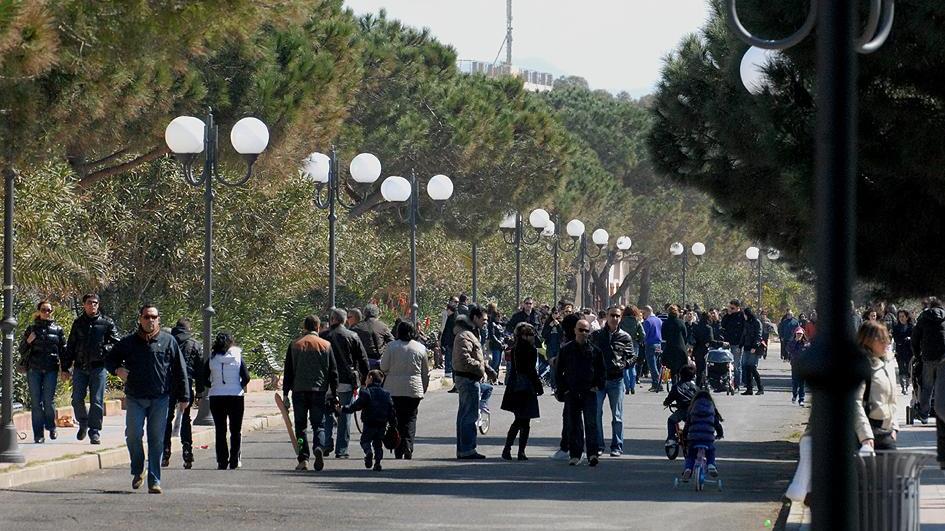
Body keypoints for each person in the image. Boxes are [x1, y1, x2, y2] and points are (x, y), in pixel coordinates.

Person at [106, 304, 190, 494]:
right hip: (135, 397)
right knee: (133, 435)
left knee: (156, 440)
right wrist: (117, 370)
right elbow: (109, 359)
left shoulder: (169, 341)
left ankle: (155, 480)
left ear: (159, 319)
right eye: (146, 317)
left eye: (153, 317)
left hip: (160, 398)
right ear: (140, 319)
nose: (150, 320)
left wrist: (185, 396)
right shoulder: (128, 342)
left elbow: (180, 370)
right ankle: (138, 469)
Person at [61, 293, 120, 445]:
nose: (92, 305)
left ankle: (95, 431)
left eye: (95, 303)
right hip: (80, 367)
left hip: (98, 368)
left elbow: (116, 343)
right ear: (84, 305)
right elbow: (71, 345)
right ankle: (83, 422)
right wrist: (65, 367)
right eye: (89, 302)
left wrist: (104, 349)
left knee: (97, 401)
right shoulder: (78, 323)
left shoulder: (107, 323)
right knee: (76, 400)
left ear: (98, 305)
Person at [283, 315, 338, 472]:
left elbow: (288, 371)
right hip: (318, 391)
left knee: (300, 427)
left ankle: (303, 458)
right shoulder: (326, 345)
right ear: (318, 327)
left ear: (304, 327)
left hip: (299, 391)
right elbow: (333, 372)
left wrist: (285, 393)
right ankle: (319, 447)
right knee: (319, 424)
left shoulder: (295, 345)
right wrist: (334, 393)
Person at [321, 308, 370, 459]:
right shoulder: (352, 336)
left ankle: (326, 443)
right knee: (345, 413)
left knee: (327, 412)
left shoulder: (323, 336)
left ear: (333, 320)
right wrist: (364, 380)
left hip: (326, 381)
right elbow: (362, 360)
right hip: (346, 381)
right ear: (344, 320)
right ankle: (341, 449)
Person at [555, 319, 605, 466]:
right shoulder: (566, 349)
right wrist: (563, 389)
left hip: (589, 392)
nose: (583, 333)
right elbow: (559, 372)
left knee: (591, 424)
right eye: (581, 330)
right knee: (574, 424)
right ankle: (575, 455)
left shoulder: (595, 350)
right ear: (575, 330)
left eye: (586, 330)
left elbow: (601, 371)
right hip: (572, 392)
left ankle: (593, 454)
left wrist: (597, 385)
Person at [200, 332, 250, 470]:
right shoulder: (238, 356)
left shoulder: (212, 358)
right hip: (235, 396)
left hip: (217, 396)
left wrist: (213, 385)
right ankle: (234, 460)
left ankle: (222, 461)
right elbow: (246, 376)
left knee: (220, 429)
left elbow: (204, 378)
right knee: (236, 429)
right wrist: (239, 386)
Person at [452, 304, 497, 459]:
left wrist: (488, 370)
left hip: (470, 378)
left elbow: (476, 357)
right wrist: (481, 368)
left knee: (466, 415)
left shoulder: (471, 334)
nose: (485, 322)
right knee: (469, 416)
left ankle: (465, 449)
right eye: (483, 319)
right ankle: (467, 450)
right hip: (468, 379)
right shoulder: (465, 335)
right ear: (475, 318)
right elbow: (464, 359)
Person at [380, 320, 429, 459]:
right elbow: (425, 372)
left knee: (396, 418)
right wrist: (423, 388)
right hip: (414, 389)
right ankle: (408, 445)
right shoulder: (420, 348)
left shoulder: (391, 346)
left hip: (393, 389)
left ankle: (398, 447)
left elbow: (383, 367)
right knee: (410, 418)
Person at [17, 300, 65, 444]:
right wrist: (28, 342)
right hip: (34, 370)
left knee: (48, 401)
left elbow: (64, 351)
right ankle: (38, 434)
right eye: (44, 310)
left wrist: (66, 369)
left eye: (49, 310)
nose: (47, 313)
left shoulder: (58, 329)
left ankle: (51, 427)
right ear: (38, 312)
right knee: (36, 403)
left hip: (51, 369)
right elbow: (21, 350)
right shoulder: (31, 329)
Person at [591, 306, 634, 457]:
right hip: (599, 380)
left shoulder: (625, 336)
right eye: (612, 316)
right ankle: (598, 445)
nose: (614, 318)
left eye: (617, 316)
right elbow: (590, 353)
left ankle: (617, 446)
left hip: (616, 380)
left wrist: (623, 364)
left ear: (620, 318)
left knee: (617, 415)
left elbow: (632, 356)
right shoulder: (596, 335)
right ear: (607, 317)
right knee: (596, 414)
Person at [337, 369, 396, 471]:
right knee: (378, 444)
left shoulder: (366, 392)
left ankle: (368, 452)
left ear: (370, 378)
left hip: (369, 423)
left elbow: (355, 406)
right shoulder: (386, 394)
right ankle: (378, 463)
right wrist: (393, 424)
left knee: (365, 441)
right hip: (382, 424)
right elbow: (391, 410)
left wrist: (343, 409)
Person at [162, 318, 202, 469]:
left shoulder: (168, 342)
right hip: (186, 384)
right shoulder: (194, 344)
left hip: (168, 385)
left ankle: (165, 451)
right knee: (186, 418)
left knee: (167, 418)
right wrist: (199, 392)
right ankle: (187, 450)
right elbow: (200, 370)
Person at [853, 320, 899, 451]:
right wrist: (865, 436)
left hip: (886, 434)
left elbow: (893, 399)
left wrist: (894, 428)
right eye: (881, 338)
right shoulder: (861, 365)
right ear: (867, 340)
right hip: (865, 436)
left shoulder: (887, 363)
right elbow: (855, 402)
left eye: (887, 337)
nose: (886, 342)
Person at [501, 323, 543, 461]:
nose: (533, 337)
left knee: (519, 419)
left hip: (515, 386)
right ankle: (520, 451)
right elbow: (531, 370)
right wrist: (538, 385)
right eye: (530, 335)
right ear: (524, 336)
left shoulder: (515, 349)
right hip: (526, 387)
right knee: (524, 421)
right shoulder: (530, 350)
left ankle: (509, 449)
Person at [550, 312, 581, 461]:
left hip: (570, 387)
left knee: (570, 418)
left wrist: (559, 388)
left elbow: (560, 370)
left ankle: (567, 447)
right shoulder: (585, 342)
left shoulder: (568, 346)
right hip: (581, 386)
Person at [912, 297, 945, 424]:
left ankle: (924, 414)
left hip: (928, 357)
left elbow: (915, 337)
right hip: (943, 356)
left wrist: (917, 354)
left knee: (927, 387)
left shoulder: (923, 318)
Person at [681, 390, 724, 481]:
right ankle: (711, 464)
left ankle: (688, 469)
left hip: (694, 438)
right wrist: (720, 434)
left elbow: (687, 425)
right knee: (710, 451)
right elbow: (717, 424)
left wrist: (684, 435)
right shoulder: (712, 409)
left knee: (691, 455)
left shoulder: (692, 409)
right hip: (707, 438)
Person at [663, 363, 697, 451]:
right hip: (694, 411)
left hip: (682, 410)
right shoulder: (696, 388)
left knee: (671, 420)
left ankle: (671, 439)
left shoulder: (676, 387)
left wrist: (666, 403)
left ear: (680, 375)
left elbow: (669, 399)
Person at [351, 304, 394, 370]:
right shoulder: (382, 326)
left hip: (362, 362)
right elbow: (392, 341)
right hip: (379, 362)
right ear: (377, 313)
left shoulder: (357, 327)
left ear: (364, 313)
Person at [690, 311, 723, 387]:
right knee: (705, 368)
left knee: (699, 368)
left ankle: (698, 385)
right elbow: (711, 341)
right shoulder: (708, 328)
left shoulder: (696, 326)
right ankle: (704, 384)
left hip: (697, 349)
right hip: (705, 350)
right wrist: (721, 343)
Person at [618, 306, 645, 395]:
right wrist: (639, 340)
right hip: (634, 344)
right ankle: (632, 386)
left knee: (625, 367)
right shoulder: (637, 322)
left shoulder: (621, 321)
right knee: (632, 366)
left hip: (623, 344)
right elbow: (643, 334)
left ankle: (627, 387)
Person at [660, 305, 689, 386]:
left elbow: (663, 336)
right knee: (681, 367)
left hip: (670, 348)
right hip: (680, 348)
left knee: (672, 368)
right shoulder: (681, 322)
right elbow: (685, 335)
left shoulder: (665, 323)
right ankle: (682, 384)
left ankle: (674, 384)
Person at [721, 300, 745, 391]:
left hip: (737, 344)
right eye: (730, 307)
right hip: (727, 343)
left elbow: (744, 331)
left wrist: (740, 345)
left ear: (738, 307)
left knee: (736, 365)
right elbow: (723, 324)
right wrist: (728, 314)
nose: (730, 309)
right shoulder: (728, 316)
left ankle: (737, 384)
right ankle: (724, 383)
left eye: (732, 308)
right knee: (725, 363)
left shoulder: (742, 316)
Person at [740, 307, 765, 395]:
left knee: (752, 368)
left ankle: (760, 388)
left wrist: (755, 346)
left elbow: (758, 335)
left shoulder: (756, 322)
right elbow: (744, 334)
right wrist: (741, 344)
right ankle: (749, 389)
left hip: (754, 348)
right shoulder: (746, 322)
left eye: (744, 314)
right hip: (746, 347)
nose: (744, 316)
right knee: (746, 368)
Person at [892, 310, 914, 395]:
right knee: (901, 369)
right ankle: (903, 386)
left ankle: (907, 385)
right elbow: (896, 338)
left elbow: (914, 337)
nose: (901, 318)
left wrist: (909, 339)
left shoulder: (911, 327)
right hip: (900, 351)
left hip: (909, 351)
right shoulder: (896, 327)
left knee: (908, 370)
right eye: (899, 316)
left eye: (903, 316)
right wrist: (902, 340)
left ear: (907, 317)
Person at [642, 306, 664, 392]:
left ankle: (657, 383)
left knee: (652, 365)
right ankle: (658, 382)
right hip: (659, 344)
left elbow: (644, 334)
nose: (643, 315)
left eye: (643, 313)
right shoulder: (659, 320)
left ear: (647, 312)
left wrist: (642, 341)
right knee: (657, 364)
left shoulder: (647, 321)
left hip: (650, 344)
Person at [786, 327, 810, 405]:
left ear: (803, 334)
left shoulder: (806, 343)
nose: (799, 335)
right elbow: (789, 349)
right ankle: (794, 395)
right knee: (795, 382)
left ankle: (801, 399)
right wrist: (795, 342)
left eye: (800, 334)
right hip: (795, 364)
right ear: (795, 334)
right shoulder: (792, 342)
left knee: (802, 383)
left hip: (803, 365)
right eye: (798, 334)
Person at [541, 307, 563, 389]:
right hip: (550, 346)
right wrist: (550, 326)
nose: (555, 315)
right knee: (552, 365)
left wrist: (558, 325)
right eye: (554, 313)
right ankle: (553, 385)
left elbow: (562, 334)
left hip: (558, 346)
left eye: (557, 313)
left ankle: (558, 384)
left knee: (558, 365)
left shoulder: (560, 322)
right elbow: (543, 335)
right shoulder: (548, 322)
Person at [486, 302, 505, 378]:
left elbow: (502, 334)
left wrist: (503, 342)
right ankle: (491, 377)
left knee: (498, 363)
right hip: (495, 345)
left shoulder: (499, 325)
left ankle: (495, 378)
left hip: (500, 346)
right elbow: (492, 335)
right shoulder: (491, 323)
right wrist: (499, 342)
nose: (498, 317)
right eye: (497, 316)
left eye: (499, 316)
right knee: (495, 362)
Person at [440, 302, 457, 377]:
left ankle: (448, 371)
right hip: (454, 341)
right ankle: (451, 371)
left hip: (450, 341)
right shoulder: (456, 317)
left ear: (450, 310)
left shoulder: (451, 319)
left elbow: (446, 330)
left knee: (448, 356)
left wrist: (443, 341)